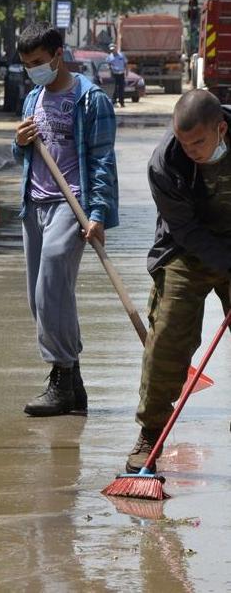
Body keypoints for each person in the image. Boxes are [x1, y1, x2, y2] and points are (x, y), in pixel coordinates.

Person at [12, 22, 119, 417]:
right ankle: (73, 385)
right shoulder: (33, 100)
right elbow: (21, 155)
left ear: (59, 54)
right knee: (40, 300)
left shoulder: (90, 100)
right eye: (26, 64)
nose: (33, 70)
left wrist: (98, 214)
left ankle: (59, 378)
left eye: (38, 62)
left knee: (52, 285)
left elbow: (104, 160)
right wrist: (19, 141)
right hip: (34, 204)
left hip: (71, 203)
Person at [126, 89, 231, 473]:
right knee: (169, 333)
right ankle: (151, 433)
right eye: (183, 142)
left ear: (221, 128)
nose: (190, 151)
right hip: (187, 248)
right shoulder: (164, 163)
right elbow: (185, 229)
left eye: (198, 142)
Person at [106, 43, 128, 107]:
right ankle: (114, 102)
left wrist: (127, 72)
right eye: (111, 50)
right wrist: (109, 71)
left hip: (121, 74)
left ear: (116, 48)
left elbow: (125, 64)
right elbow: (108, 65)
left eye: (113, 49)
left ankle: (122, 102)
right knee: (114, 89)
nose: (113, 51)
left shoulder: (122, 55)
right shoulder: (109, 57)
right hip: (114, 74)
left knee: (121, 88)